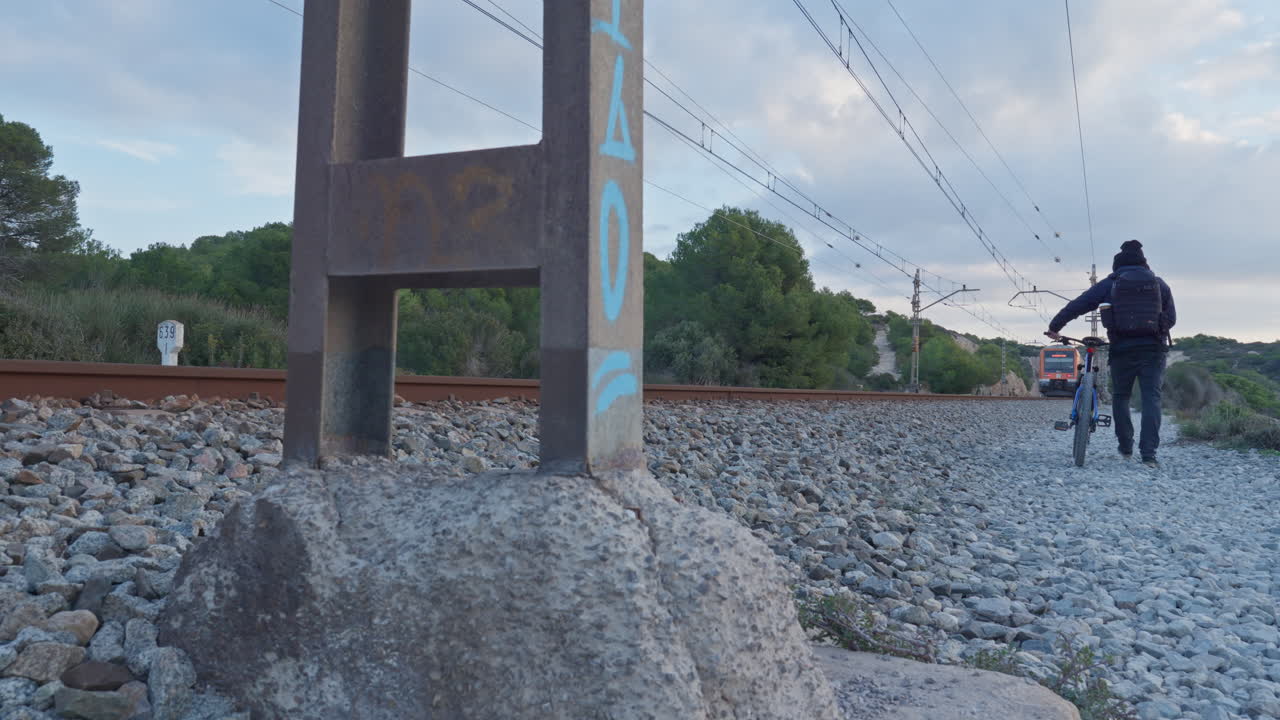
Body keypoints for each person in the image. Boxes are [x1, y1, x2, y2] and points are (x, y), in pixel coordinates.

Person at [1046, 240, 1175, 467]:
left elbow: (1078, 305)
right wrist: (1157, 331)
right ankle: (1149, 455)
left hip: (1122, 348)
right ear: (1144, 263)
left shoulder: (1110, 283)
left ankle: (1125, 447)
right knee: (1151, 399)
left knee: (1121, 396)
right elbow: (1171, 318)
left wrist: (1055, 327)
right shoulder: (1159, 284)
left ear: (1117, 265)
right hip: (1153, 350)